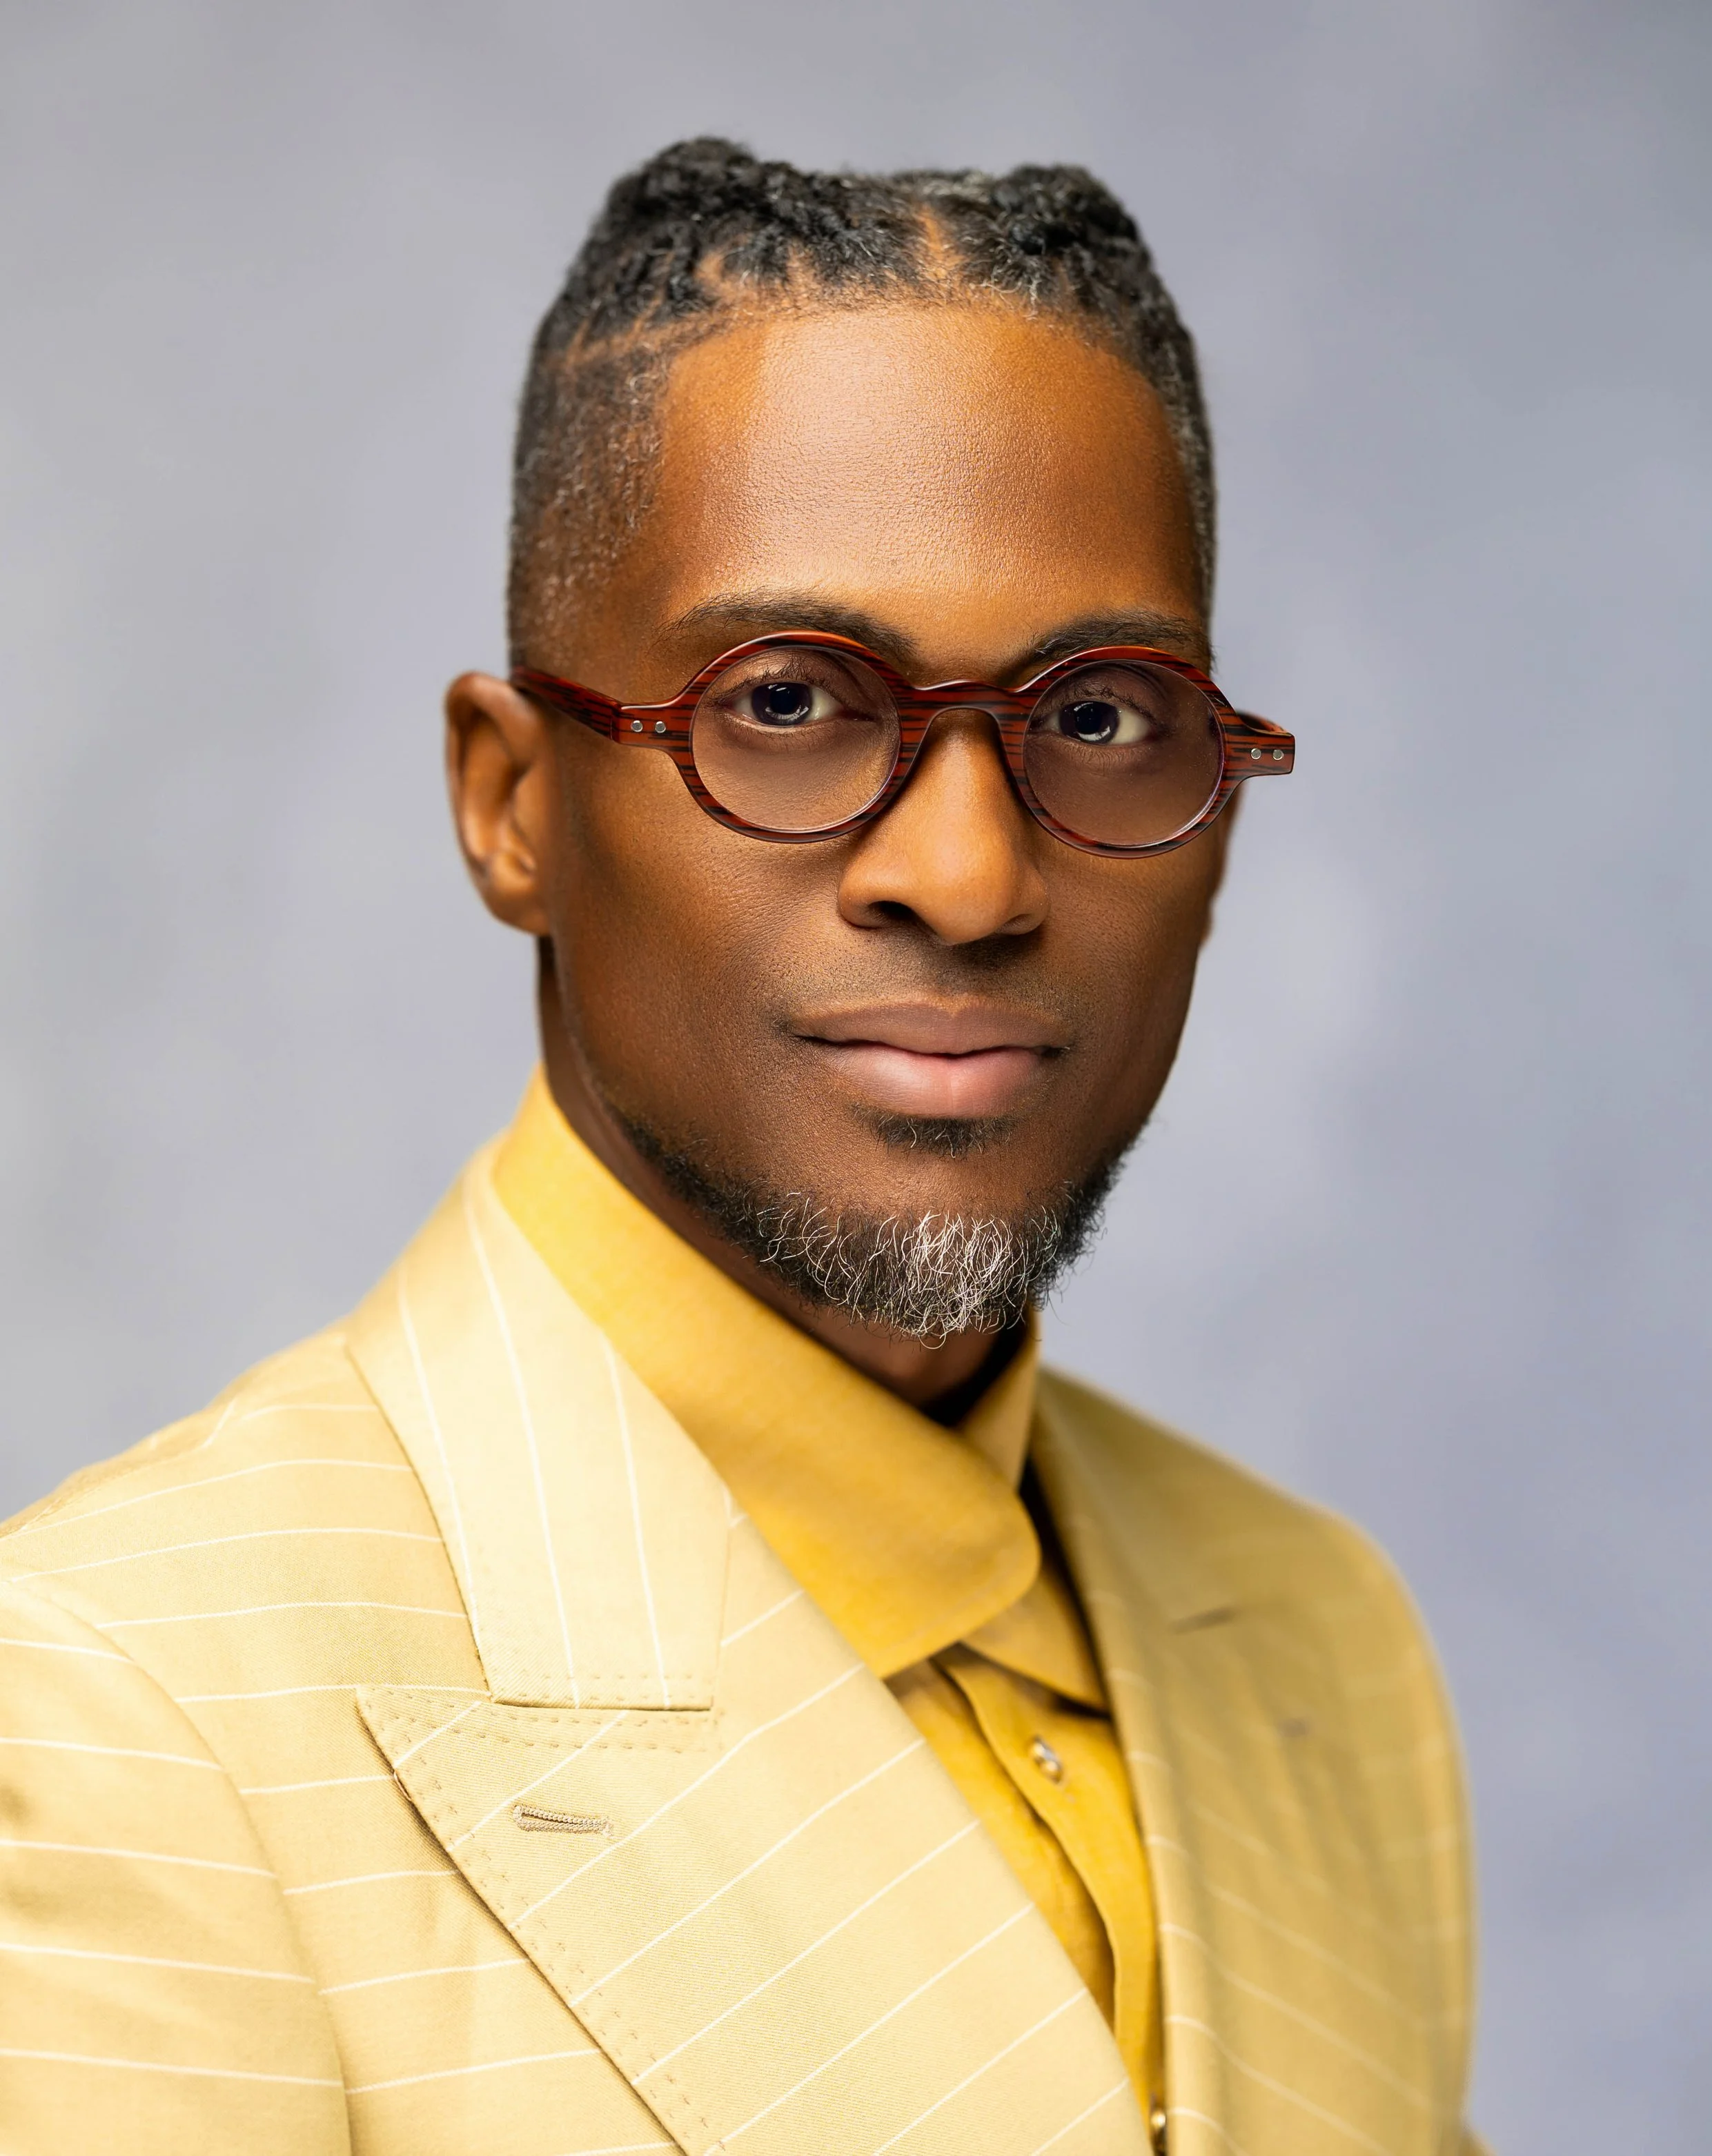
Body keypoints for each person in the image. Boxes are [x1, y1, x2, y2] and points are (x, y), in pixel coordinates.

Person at [0, 141, 1485, 2155]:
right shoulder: (118, 1713)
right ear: (513, 805)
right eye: (785, 699)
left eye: (1102, 717)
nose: (968, 874)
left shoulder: (1316, 1635)